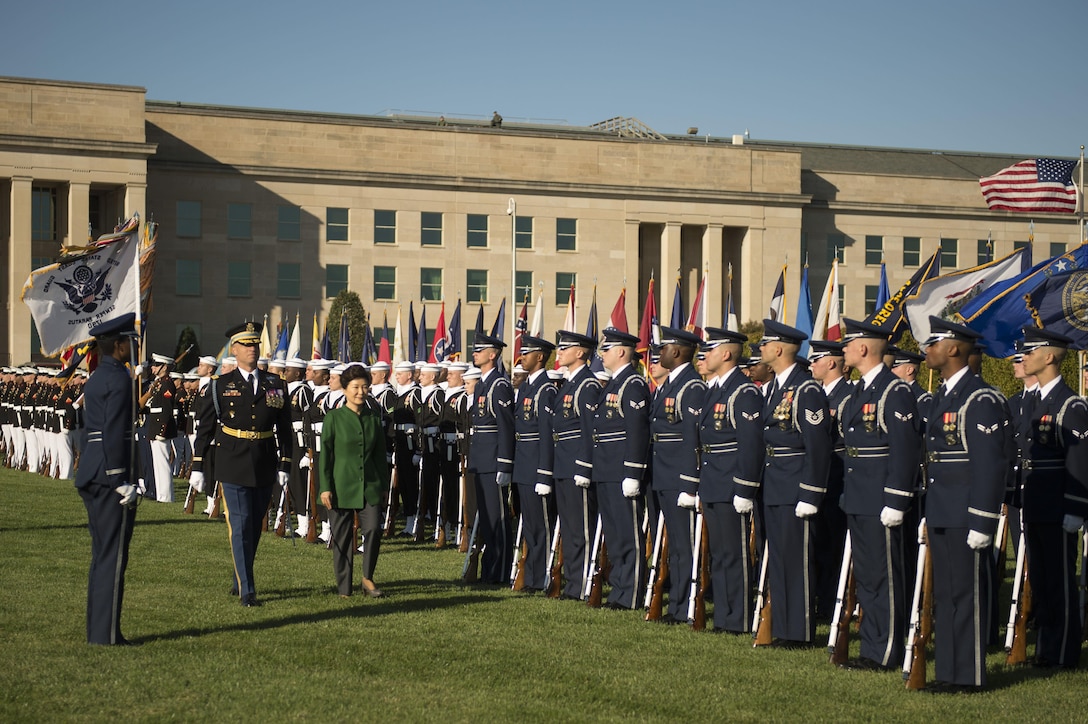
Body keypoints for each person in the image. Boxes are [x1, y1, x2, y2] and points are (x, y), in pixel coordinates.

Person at [921, 316, 1010, 691]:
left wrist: (983, 520)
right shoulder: (943, 395)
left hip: (965, 512)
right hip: (942, 507)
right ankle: (948, 671)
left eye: (934, 343)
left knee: (965, 595)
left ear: (954, 348)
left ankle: (969, 675)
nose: (927, 350)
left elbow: (990, 464)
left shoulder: (981, 399)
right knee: (945, 594)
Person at [189, 322, 293, 607]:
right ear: (234, 350)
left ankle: (239, 578)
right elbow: (205, 428)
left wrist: (285, 464)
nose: (252, 349)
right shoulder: (220, 385)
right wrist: (198, 465)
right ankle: (248, 589)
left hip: (263, 459)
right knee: (240, 523)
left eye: (255, 344)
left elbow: (285, 429)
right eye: (246, 345)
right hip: (232, 460)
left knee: (254, 526)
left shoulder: (275, 384)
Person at [836, 318, 919, 671]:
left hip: (881, 496)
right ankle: (872, 645)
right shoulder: (860, 390)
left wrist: (897, 499)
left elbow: (905, 449)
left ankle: (885, 651)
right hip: (858, 494)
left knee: (884, 577)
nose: (843, 349)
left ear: (864, 348)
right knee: (868, 577)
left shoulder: (893, 391)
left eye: (848, 343)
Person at [757, 319, 832, 647]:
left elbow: (818, 445)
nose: (759, 349)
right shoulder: (776, 387)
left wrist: (811, 492)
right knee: (781, 559)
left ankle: (798, 632)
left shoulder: (806, 389)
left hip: (795, 485)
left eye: (764, 344)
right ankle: (783, 628)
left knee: (798, 560)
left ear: (778, 349)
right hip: (775, 482)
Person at [1017, 325, 1087, 669]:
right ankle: (1046, 650)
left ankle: (1062, 653)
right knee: (1042, 582)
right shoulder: (1036, 400)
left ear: (1048, 357)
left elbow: (1080, 460)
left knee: (1060, 583)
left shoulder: (1069, 404)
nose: (1024, 358)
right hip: (1036, 502)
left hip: (1058, 505)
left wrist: (1075, 508)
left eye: (1030, 352)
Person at [74, 312, 139, 645]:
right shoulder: (119, 379)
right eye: (130, 341)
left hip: (92, 470)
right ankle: (106, 636)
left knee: (102, 556)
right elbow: (114, 431)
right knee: (112, 558)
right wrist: (119, 479)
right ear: (119, 346)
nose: (134, 346)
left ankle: (99, 631)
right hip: (108, 474)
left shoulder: (98, 376)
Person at [698, 328, 763, 632]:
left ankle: (737, 617)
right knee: (719, 554)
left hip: (730, 482)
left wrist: (745, 487)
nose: (705, 356)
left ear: (725, 354)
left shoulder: (744, 391)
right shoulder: (715, 389)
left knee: (734, 554)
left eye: (710, 350)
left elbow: (750, 444)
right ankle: (724, 614)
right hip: (713, 479)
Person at [649, 326, 707, 624]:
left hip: (679, 478)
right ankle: (677, 603)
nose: (659, 354)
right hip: (664, 474)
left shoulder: (691, 387)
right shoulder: (671, 384)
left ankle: (685, 605)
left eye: (663, 349)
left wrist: (690, 483)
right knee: (675, 547)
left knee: (685, 546)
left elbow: (692, 438)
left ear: (677, 351)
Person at [319, 364, 390, 597]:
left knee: (373, 530)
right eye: (356, 387)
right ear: (345, 389)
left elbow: (380, 455)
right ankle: (344, 587)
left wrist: (383, 485)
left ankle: (367, 578)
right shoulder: (334, 418)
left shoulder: (372, 418)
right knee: (341, 537)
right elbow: (326, 456)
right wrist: (326, 487)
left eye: (365, 387)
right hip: (341, 487)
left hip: (369, 486)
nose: (361, 392)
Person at [551, 331, 603, 600]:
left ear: (581, 353)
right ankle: (571, 582)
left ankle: (582, 582)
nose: (558, 353)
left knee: (581, 529)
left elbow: (588, 431)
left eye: (565, 348)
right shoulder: (571, 383)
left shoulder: (587, 385)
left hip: (576, 468)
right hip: (563, 465)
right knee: (570, 528)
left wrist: (584, 467)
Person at [467, 333, 515, 584]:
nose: (474, 353)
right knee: (486, 517)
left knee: (497, 517)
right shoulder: (483, 384)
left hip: (494, 459)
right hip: (481, 459)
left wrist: (505, 463)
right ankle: (489, 568)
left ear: (492, 355)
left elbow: (506, 426)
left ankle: (500, 570)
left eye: (480, 350)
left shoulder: (499, 385)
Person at [512, 335, 558, 593]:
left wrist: (544, 473)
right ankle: (531, 576)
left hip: (536, 466)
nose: (522, 357)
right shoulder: (528, 387)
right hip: (524, 464)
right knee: (529, 525)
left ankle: (542, 577)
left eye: (527, 353)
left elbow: (546, 434)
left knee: (542, 526)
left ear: (540, 357)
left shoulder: (546, 389)